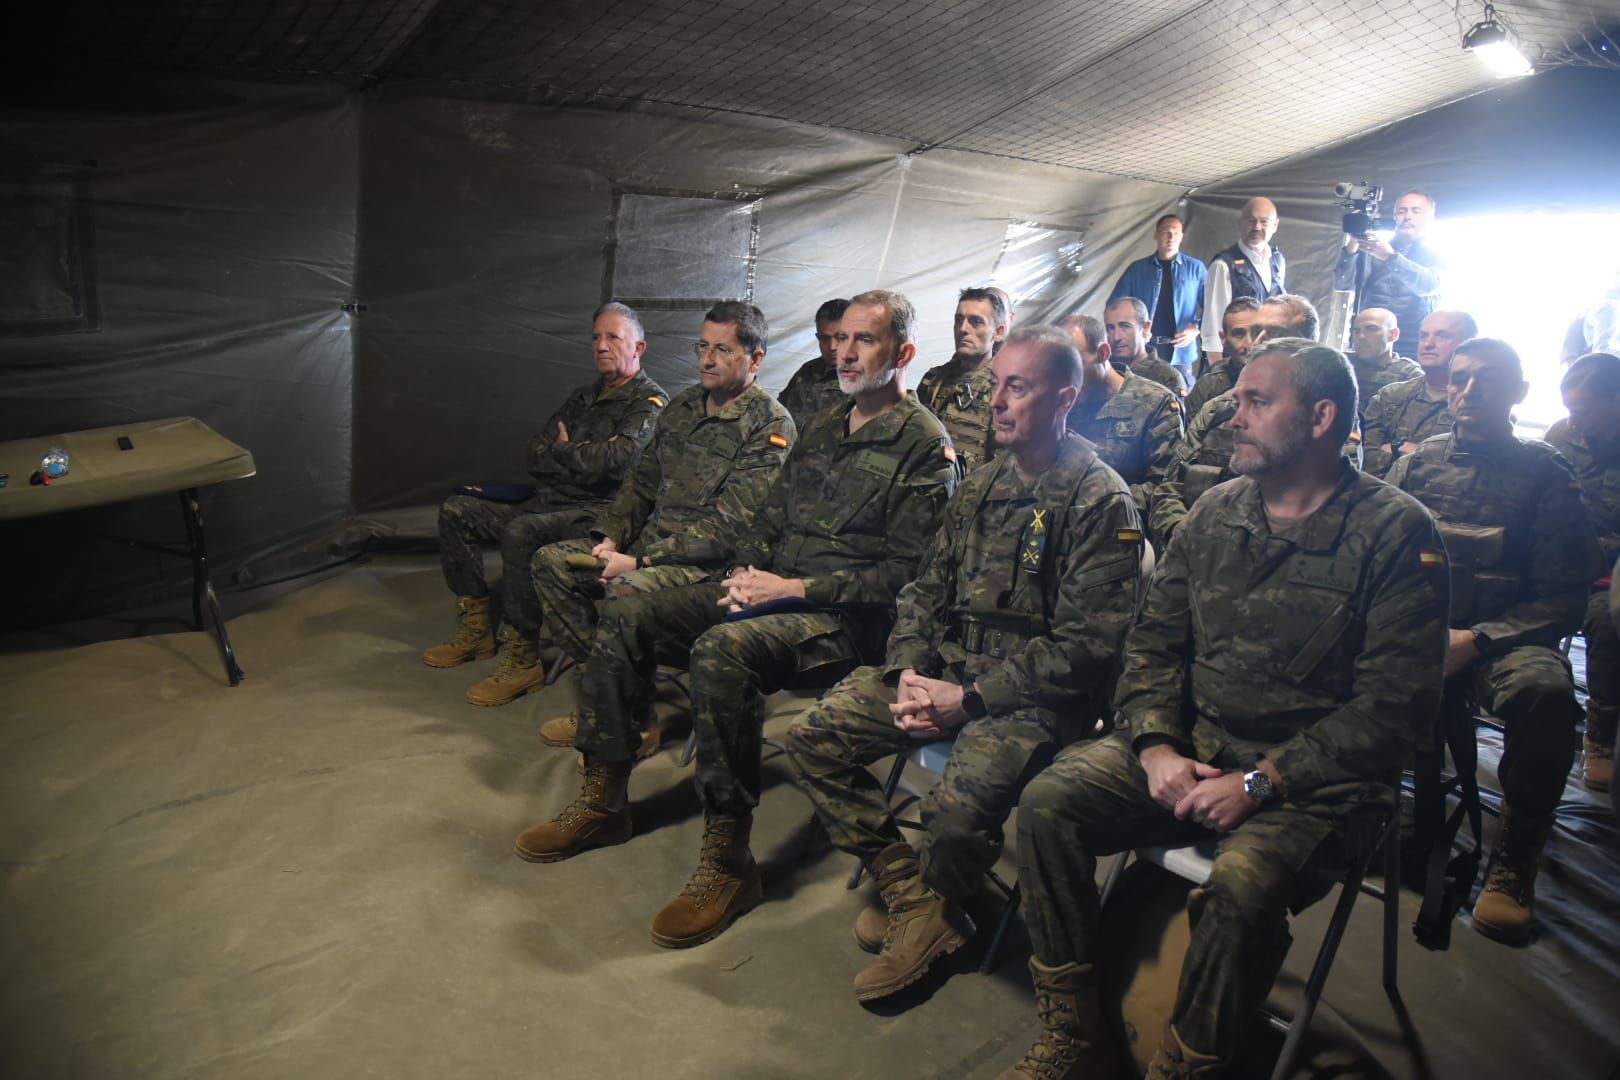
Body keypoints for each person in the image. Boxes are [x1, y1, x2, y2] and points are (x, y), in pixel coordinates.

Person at [1001, 338, 1449, 1079]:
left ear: (1321, 418)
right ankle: (1072, 1028)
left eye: (1256, 403)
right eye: (1237, 399)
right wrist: (1155, 747)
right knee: (1050, 800)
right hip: (1194, 750)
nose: (1231, 418)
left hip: (1314, 788)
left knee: (1242, 887)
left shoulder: (1396, 535)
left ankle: (1189, 1066)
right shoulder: (1215, 512)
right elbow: (1151, 647)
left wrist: (1262, 784)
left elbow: (1394, 711)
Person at [512, 290, 959, 952]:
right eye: (841, 339)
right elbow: (767, 520)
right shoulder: (828, 425)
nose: (843, 352)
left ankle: (728, 863)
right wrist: (748, 577)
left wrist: (794, 586)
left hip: (844, 621)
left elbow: (906, 578)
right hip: (779, 595)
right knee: (629, 608)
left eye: (863, 341)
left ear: (904, 353)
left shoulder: (924, 446)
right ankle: (603, 800)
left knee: (725, 653)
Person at [787, 324, 1142, 1003]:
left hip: (1030, 703)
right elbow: (924, 589)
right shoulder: (980, 485)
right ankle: (917, 894)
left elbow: (1087, 646)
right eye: (995, 386)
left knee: (952, 814)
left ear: (1065, 398)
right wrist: (911, 670)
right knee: (811, 739)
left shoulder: (1098, 499)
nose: (998, 402)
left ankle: (939, 895)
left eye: (1018, 387)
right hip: (946, 675)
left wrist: (969, 698)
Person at [1388, 337, 1603, 943]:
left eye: (1486, 379)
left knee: (1546, 696)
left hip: (1505, 642)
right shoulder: (1415, 464)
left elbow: (1566, 595)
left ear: (1518, 393)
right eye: (1459, 378)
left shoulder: (1545, 477)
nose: (1469, 391)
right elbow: (1372, 555)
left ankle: (1515, 857)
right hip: (1413, 635)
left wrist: (1479, 639)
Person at [513, 302, 793, 719]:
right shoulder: (683, 407)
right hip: (646, 545)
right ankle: (611, 689)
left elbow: (731, 528)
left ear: (755, 359)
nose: (707, 359)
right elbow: (639, 483)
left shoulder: (769, 426)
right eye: (702, 346)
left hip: (708, 567)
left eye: (722, 349)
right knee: (552, 563)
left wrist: (639, 561)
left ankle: (627, 718)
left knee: (626, 591)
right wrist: (610, 536)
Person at [420, 303, 667, 684]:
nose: (601, 346)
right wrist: (585, 457)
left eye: (613, 337)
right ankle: (476, 632)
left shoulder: (649, 403)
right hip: (550, 501)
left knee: (523, 532)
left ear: (639, 348)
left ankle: (522, 657)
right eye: (596, 337)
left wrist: (565, 450)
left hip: (597, 514)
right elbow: (535, 455)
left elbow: (617, 463)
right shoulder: (581, 397)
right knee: (458, 511)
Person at [1150, 294, 1324, 541]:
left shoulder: (1322, 418)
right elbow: (1169, 491)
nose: (1256, 343)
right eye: (1255, 332)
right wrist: (1185, 537)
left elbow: (1327, 509)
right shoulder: (1216, 411)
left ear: (1307, 344)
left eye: (1274, 333)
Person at [1544, 352, 1620, 792]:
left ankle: (1600, 733)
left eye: (1583, 411)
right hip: (1562, 562)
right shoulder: (1561, 439)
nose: (1573, 422)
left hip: (1611, 572)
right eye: (1569, 410)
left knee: (1607, 620)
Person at [1060, 314, 1183, 530]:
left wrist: (1093, 500)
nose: (1067, 378)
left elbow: (1164, 488)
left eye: (1076, 365)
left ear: (1103, 353)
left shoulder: (1155, 403)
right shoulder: (1062, 400)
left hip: (1125, 528)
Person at [1361, 309, 1477, 476]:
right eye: (1423, 336)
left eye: (1442, 335)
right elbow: (1364, 460)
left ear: (1468, 344)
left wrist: (1399, 450)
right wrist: (1424, 457)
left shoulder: (1476, 404)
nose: (1428, 343)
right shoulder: (1390, 396)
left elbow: (1465, 474)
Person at [1332, 189, 1444, 358]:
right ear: (1394, 217)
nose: (1408, 216)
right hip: (1369, 340)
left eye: (1416, 211)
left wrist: (1390, 257)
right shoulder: (1373, 248)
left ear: (1431, 218)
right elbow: (1342, 284)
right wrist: (1354, 240)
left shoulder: (1437, 255)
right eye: (1402, 211)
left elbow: (1429, 286)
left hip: (1412, 344)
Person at [1109, 214, 1207, 389]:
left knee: (1180, 401)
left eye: (1176, 233)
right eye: (1166, 232)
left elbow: (1212, 308)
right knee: (1139, 396)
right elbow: (1115, 305)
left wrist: (1196, 328)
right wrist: (1130, 331)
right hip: (1144, 348)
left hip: (1180, 351)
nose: (1171, 238)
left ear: (1182, 236)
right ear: (1156, 234)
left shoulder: (1196, 268)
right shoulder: (1137, 269)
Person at [917, 287, 1008, 473]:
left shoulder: (1005, 390)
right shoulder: (933, 380)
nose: (963, 329)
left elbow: (1006, 466)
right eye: (959, 320)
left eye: (976, 322)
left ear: (997, 332)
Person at [1199, 197, 1285, 372]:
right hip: (1232, 367)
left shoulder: (1277, 261)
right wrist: (1218, 376)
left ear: (1275, 225)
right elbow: (1212, 331)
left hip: (1266, 365)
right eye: (1251, 221)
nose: (1257, 227)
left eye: (1264, 222)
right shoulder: (1223, 265)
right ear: (1240, 223)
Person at [1185, 297, 1262, 419]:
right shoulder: (1209, 385)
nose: (1249, 344)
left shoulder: (1284, 379)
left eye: (1256, 333)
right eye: (1239, 334)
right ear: (1223, 338)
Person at [778, 298, 850, 429]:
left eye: (840, 338)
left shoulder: (866, 379)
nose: (832, 346)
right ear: (817, 337)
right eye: (825, 338)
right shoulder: (808, 371)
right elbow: (779, 412)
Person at [1346, 307, 1422, 426]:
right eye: (1356, 331)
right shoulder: (1342, 363)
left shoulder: (1409, 374)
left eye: (1371, 329)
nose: (1361, 337)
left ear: (1393, 334)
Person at [1104, 297, 1186, 396]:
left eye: (1125, 326)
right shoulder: (1103, 370)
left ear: (1145, 328)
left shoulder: (1168, 378)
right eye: (1110, 328)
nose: (1116, 337)